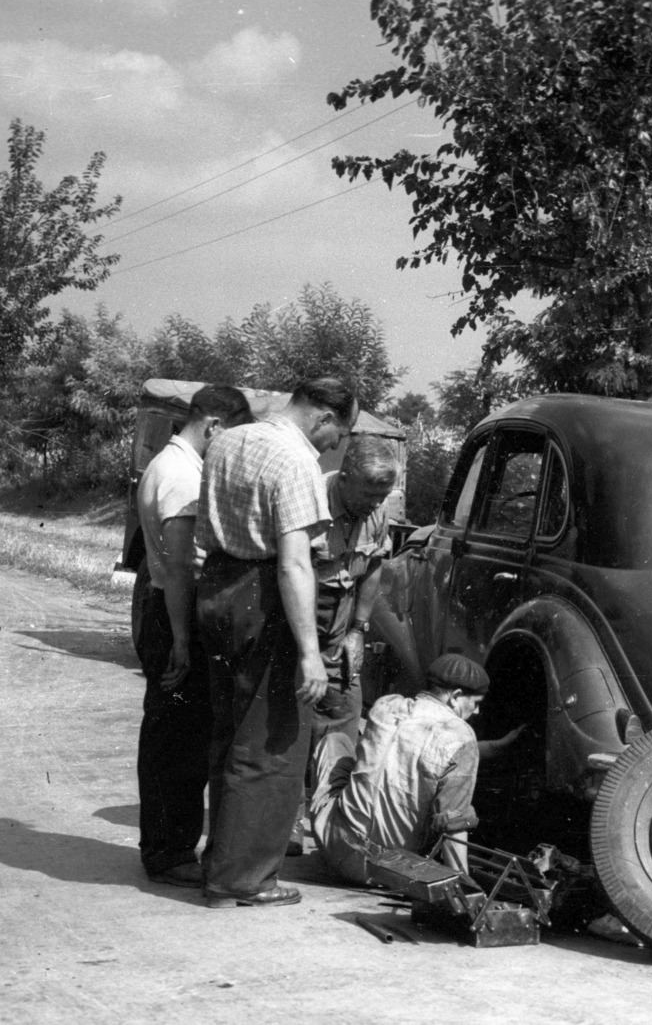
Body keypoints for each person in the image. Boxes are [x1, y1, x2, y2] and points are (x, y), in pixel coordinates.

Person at [193, 376, 357, 909]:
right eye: (340, 434)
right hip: (262, 597)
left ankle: (221, 861)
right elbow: (294, 565)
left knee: (228, 732)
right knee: (271, 742)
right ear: (325, 417)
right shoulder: (296, 461)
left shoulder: (229, 439)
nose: (335, 446)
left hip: (217, 587)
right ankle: (243, 880)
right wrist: (310, 652)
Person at [132, 384, 253, 888]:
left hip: (165, 606)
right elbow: (181, 566)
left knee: (173, 733)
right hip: (174, 611)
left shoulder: (169, 464)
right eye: (233, 437)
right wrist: (182, 639)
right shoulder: (182, 476)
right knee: (178, 741)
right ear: (214, 426)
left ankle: (167, 845)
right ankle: (169, 851)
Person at [309, 653, 490, 884]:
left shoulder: (385, 707)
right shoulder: (462, 736)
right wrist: (463, 886)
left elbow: (421, 749)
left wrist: (500, 745)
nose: (477, 712)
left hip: (336, 848)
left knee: (335, 741)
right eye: (475, 703)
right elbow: (453, 823)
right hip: (395, 870)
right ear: (455, 697)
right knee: (448, 805)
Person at [308, 434, 399, 748]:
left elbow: (373, 564)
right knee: (296, 705)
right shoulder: (310, 501)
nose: (376, 504)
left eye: (382, 496)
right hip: (299, 613)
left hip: (341, 616)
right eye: (369, 495)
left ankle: (332, 776)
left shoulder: (377, 511)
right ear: (344, 479)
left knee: (344, 704)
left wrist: (358, 629)